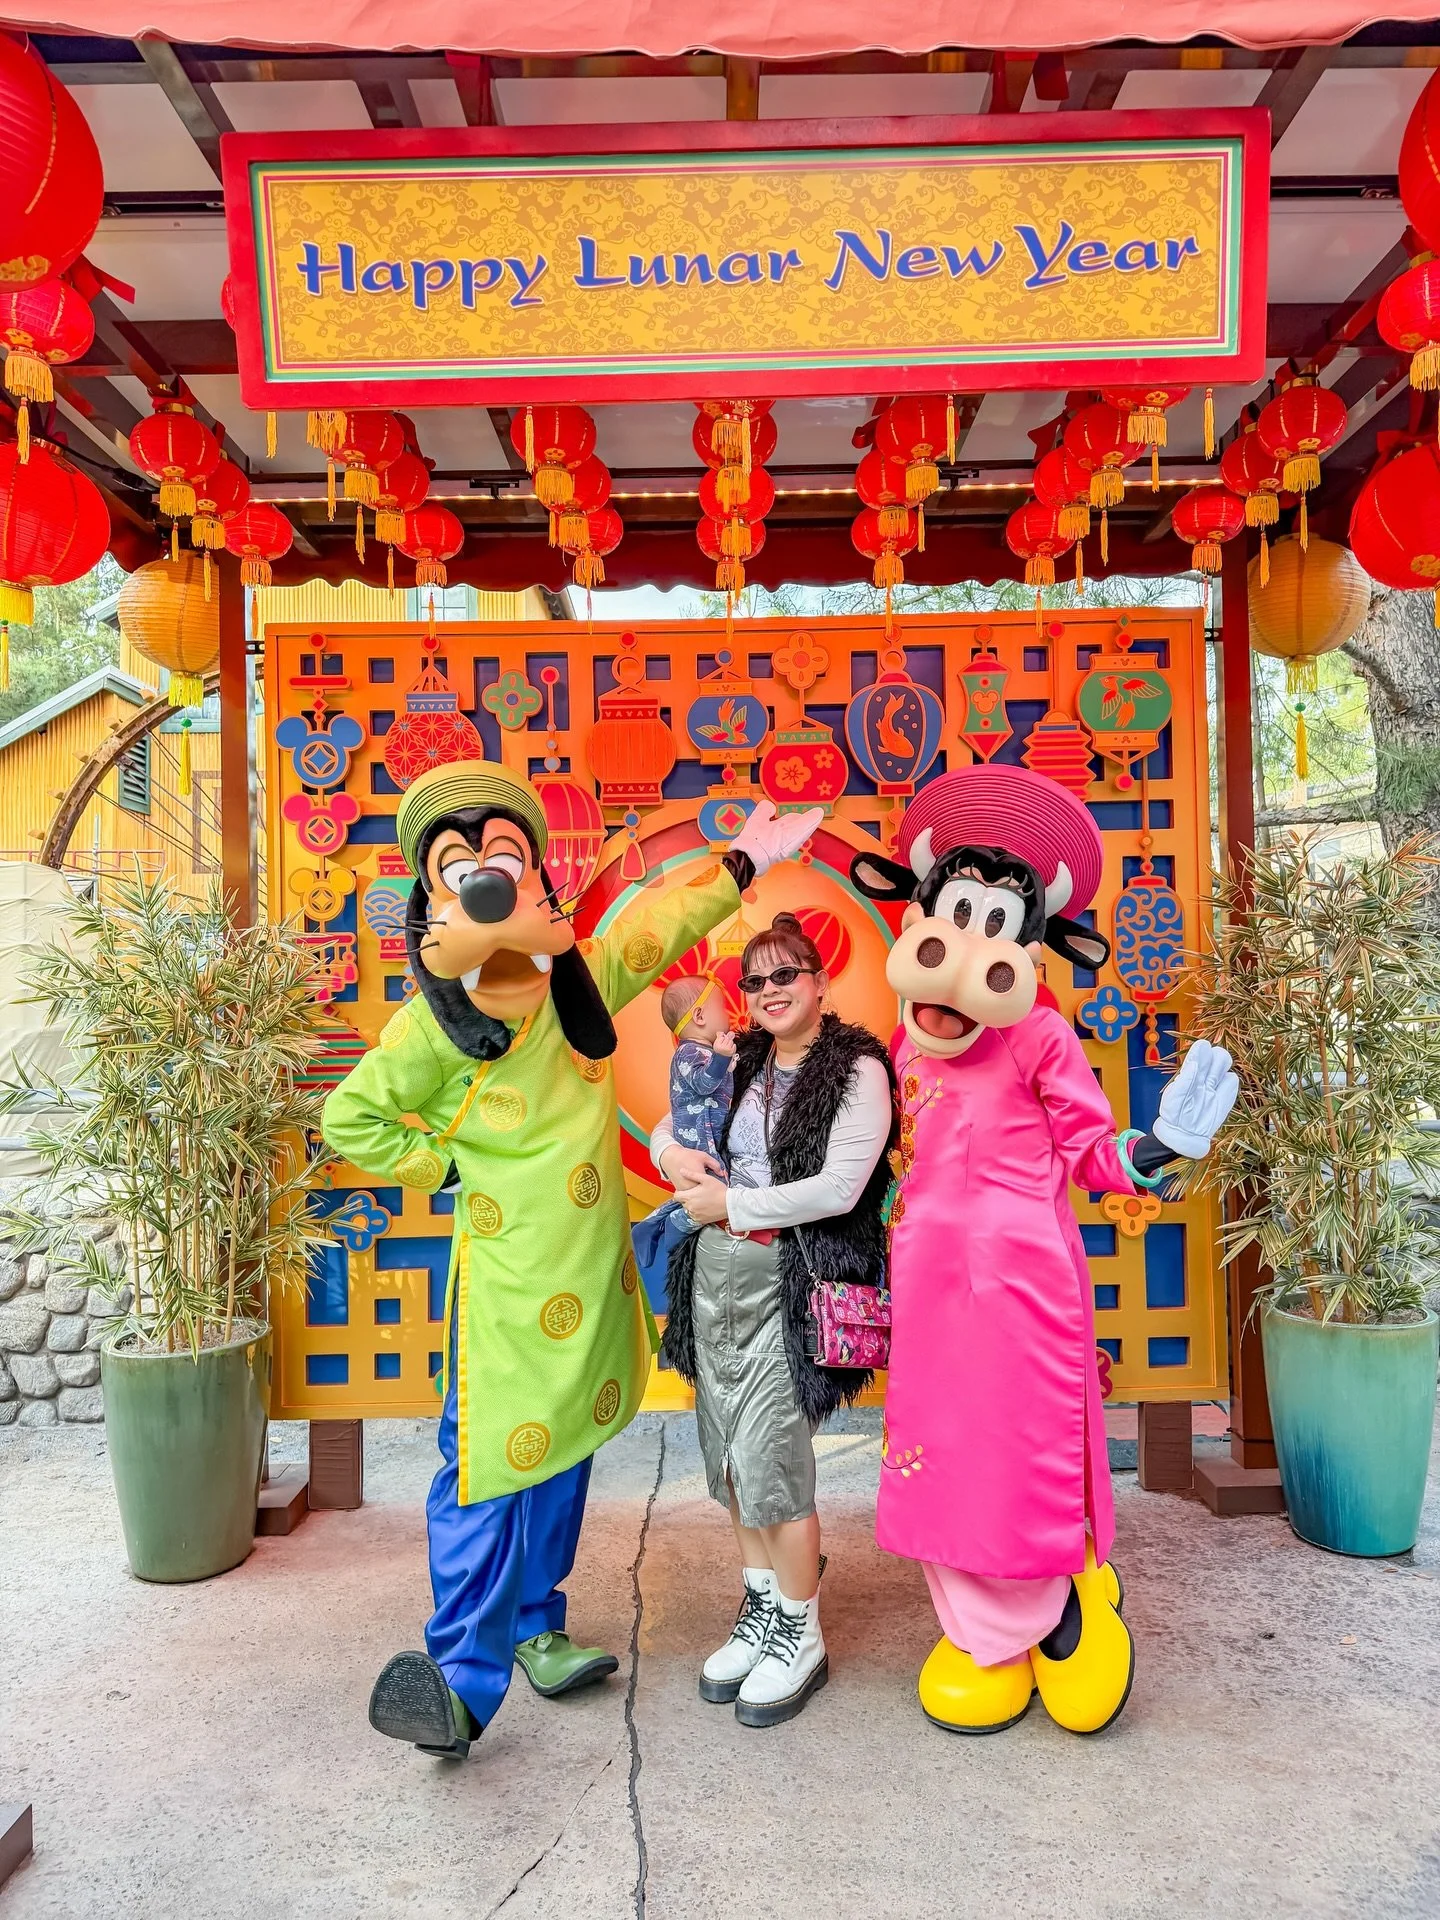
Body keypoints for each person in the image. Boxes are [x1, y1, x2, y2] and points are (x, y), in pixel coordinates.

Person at [322, 760, 821, 1761]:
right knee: (487, 1470)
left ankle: (536, 1624)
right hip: (505, 1291)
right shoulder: (433, 1027)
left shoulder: (579, 978)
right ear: (436, 893)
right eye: (466, 867)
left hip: (587, 1271)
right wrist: (443, 1164)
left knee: (561, 1456)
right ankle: (460, 1680)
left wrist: (741, 861)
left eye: (507, 856)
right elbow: (353, 1113)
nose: (493, 883)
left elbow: (664, 927)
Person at [850, 764, 1238, 1737]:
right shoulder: (902, 1040)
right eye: (955, 909)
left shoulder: (1041, 1034)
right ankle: (982, 1635)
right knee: (940, 1456)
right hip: (930, 1283)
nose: (967, 940)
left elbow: (1093, 1154)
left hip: (1023, 1283)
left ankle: (1064, 1607)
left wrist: (1156, 1149)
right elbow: (885, 1151)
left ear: (1030, 946)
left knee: (1022, 1454)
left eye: (995, 920)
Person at [655, 911, 897, 1728]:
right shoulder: (739, 1059)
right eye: (753, 980)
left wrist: (735, 1201)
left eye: (784, 973)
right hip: (713, 1273)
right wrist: (669, 1157)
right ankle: (761, 1610)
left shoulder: (857, 1067)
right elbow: (676, 1119)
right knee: (726, 1455)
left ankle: (802, 1628)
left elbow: (841, 1188)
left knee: (773, 1457)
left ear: (820, 980)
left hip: (790, 1277)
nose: (768, 991)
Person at [632, 974, 736, 1290]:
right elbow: (705, 1083)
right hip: (696, 1131)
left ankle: (658, 1222)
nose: (729, 1015)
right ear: (700, 1016)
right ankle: (672, 1225)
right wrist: (722, 1057)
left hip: (709, 1128)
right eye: (722, 1007)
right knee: (709, 1183)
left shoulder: (704, 1050)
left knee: (706, 1187)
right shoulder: (689, 1053)